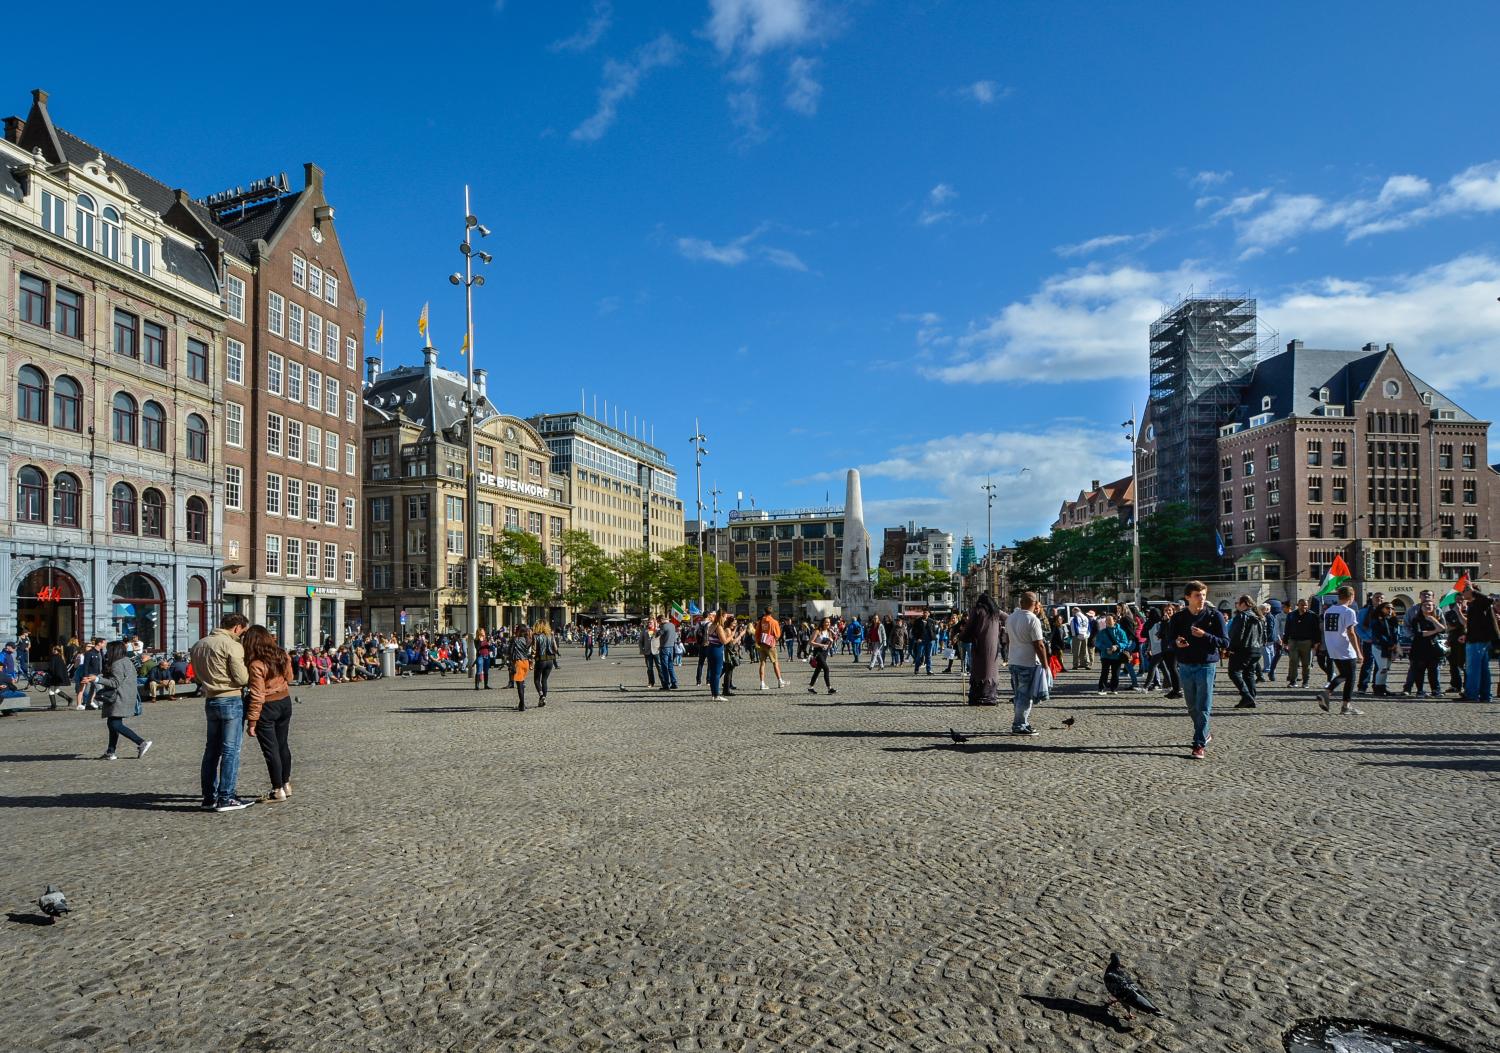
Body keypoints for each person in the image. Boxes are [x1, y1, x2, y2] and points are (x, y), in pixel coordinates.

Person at [191, 613, 253, 812]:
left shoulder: (200, 644)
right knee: (230, 750)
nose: (241, 635)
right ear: (237, 627)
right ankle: (226, 797)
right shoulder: (231, 645)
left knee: (211, 750)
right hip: (231, 698)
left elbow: (198, 676)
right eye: (242, 632)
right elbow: (242, 678)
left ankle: (209, 796)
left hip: (210, 699)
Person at [1169, 581, 1228, 760]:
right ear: (1187, 597)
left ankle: (1198, 744)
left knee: (1203, 706)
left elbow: (1225, 642)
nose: (1201, 598)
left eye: (1203, 594)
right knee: (1192, 706)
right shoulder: (1178, 618)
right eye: (1197, 595)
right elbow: (1169, 642)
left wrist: (1205, 635)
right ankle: (1205, 732)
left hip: (1206, 665)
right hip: (1186, 665)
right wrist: (1177, 643)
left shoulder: (1214, 615)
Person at [243, 625, 294, 804]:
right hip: (285, 702)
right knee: (282, 745)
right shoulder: (282, 655)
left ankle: (277, 789)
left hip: (268, 706)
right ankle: (286, 784)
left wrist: (252, 721)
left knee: (270, 749)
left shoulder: (256, 664)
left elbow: (257, 694)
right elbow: (290, 677)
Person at [93, 641, 151, 761]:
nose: (107, 652)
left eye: (108, 650)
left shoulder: (117, 663)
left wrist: (98, 679)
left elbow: (115, 682)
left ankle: (141, 742)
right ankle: (110, 751)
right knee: (112, 723)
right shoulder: (127, 661)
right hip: (127, 696)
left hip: (119, 697)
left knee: (115, 724)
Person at [1004, 592, 1048, 735]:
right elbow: (1039, 644)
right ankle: (1019, 725)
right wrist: (1045, 665)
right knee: (1025, 696)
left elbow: (1008, 640)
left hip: (1013, 660)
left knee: (1018, 694)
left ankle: (1021, 722)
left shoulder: (1010, 618)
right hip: (1027, 662)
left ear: (1020, 603)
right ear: (1035, 604)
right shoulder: (1033, 620)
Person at [1318, 585, 1364, 716]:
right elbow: (1351, 632)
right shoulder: (1348, 612)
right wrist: (1359, 652)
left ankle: (1327, 692)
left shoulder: (1329, 610)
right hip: (1345, 647)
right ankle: (1345, 706)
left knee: (1344, 674)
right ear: (1351, 596)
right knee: (1350, 677)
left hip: (1333, 647)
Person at [960, 593, 1002, 706]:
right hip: (993, 646)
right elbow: (1008, 618)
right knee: (991, 670)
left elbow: (970, 626)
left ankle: (979, 697)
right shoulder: (996, 612)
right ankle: (990, 696)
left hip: (980, 644)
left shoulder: (978, 610)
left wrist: (962, 637)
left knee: (980, 670)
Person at [1226, 595, 1266, 709]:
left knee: (1234, 672)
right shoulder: (1259, 617)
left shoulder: (1242, 616)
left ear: (1244, 603)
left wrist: (1231, 648)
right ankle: (1250, 699)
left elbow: (1237, 634)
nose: (1236, 605)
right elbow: (1263, 635)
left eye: (1237, 602)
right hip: (1256, 649)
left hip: (1244, 649)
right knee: (1249, 674)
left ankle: (1247, 696)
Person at [1460, 584, 1497, 703]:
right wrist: (1466, 635)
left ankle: (1471, 694)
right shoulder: (1473, 605)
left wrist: (1473, 591)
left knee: (1473, 669)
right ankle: (1485, 695)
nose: (1462, 593)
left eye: (1464, 591)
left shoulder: (1481, 603)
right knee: (1483, 669)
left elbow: (1489, 599)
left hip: (1478, 641)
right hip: (1477, 639)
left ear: (1471, 592)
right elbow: (1476, 624)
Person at [1406, 598, 1446, 698]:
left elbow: (1443, 629)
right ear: (1421, 607)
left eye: (1430, 605)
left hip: (1433, 648)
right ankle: (1420, 691)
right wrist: (1435, 631)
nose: (1428, 607)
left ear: (1433, 607)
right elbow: (1420, 633)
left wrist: (1433, 620)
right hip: (1419, 647)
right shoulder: (1416, 619)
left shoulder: (1437, 618)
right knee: (1419, 670)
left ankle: (1436, 690)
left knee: (1434, 671)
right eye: (1426, 605)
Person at [1282, 598, 1319, 688]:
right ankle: (1292, 681)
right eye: (1302, 605)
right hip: (1293, 641)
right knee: (1293, 662)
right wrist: (1285, 641)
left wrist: (1316, 642)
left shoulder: (1312, 616)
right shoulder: (1291, 615)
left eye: (1305, 605)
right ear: (1298, 605)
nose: (1304, 607)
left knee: (1306, 664)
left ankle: (1305, 682)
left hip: (1307, 642)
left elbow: (1316, 630)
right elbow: (1287, 628)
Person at [1368, 601, 1401, 697]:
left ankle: (1383, 687)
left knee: (1386, 668)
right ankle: (1377, 688)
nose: (1390, 610)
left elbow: (1396, 634)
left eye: (1392, 608)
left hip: (1391, 646)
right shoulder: (1376, 620)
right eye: (1387, 608)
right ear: (1381, 609)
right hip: (1379, 646)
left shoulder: (1393, 620)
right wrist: (1389, 644)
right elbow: (1378, 635)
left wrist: (1395, 645)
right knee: (1382, 668)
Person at [1093, 615, 1129, 695]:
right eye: (1106, 620)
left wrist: (1117, 646)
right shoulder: (1102, 632)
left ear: (1115, 621)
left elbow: (1125, 643)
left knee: (1115, 673)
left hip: (1117, 655)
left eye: (1109, 620)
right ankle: (1101, 688)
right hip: (1105, 655)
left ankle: (1114, 688)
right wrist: (1106, 649)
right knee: (1104, 672)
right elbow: (1098, 643)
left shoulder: (1121, 632)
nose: (1107, 622)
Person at [755, 607, 787, 690]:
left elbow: (757, 632)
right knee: (775, 663)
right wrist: (774, 640)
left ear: (764, 612)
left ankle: (762, 683)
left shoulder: (761, 621)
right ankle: (780, 681)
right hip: (770, 644)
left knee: (762, 663)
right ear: (771, 613)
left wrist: (758, 641)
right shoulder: (774, 622)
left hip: (762, 644)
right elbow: (777, 634)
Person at [806, 617, 836, 694]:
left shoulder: (829, 631)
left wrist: (831, 642)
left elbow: (829, 646)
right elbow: (810, 642)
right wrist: (821, 645)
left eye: (829, 622)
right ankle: (829, 688)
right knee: (826, 669)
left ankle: (810, 687)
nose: (828, 624)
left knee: (818, 670)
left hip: (824, 653)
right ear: (823, 623)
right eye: (826, 622)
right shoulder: (817, 631)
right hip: (818, 652)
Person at [704, 611, 728, 701]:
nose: (726, 619)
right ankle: (716, 695)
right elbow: (724, 641)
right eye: (725, 617)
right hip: (717, 650)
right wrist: (732, 635)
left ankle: (714, 694)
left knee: (713, 673)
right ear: (721, 617)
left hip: (711, 648)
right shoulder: (719, 627)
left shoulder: (711, 626)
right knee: (717, 673)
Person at [533, 622, 559, 705]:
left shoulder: (536, 636)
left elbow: (534, 649)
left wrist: (532, 658)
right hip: (550, 660)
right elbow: (555, 648)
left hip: (541, 659)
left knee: (536, 680)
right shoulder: (550, 635)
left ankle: (541, 695)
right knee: (544, 680)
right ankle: (543, 698)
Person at [509, 626, 534, 711]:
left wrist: (511, 664)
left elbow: (511, 652)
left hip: (518, 662)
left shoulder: (515, 640)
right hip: (526, 662)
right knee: (522, 682)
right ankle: (521, 703)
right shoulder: (528, 640)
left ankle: (522, 704)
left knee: (519, 685)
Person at [43, 645, 72, 709]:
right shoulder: (61, 657)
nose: (52, 650)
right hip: (59, 677)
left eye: (53, 649)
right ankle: (69, 699)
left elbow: (51, 668)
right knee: (56, 690)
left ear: (56, 650)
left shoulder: (53, 658)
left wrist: (45, 671)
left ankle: (53, 706)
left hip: (54, 677)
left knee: (51, 691)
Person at [655, 617, 679, 691]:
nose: (659, 623)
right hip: (671, 647)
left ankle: (666, 684)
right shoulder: (672, 625)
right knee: (670, 666)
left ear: (661, 620)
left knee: (664, 667)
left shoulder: (663, 626)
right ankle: (674, 683)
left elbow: (657, 635)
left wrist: (657, 629)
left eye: (658, 622)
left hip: (664, 648)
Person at [639, 618, 659, 686]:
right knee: (649, 668)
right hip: (647, 652)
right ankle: (651, 682)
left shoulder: (658, 630)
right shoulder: (644, 630)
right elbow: (640, 641)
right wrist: (642, 650)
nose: (649, 624)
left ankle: (664, 682)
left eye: (650, 622)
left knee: (659, 667)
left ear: (654, 623)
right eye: (648, 622)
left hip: (657, 651)